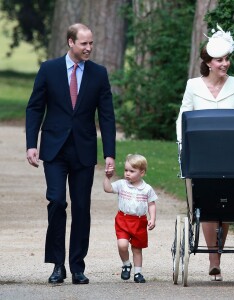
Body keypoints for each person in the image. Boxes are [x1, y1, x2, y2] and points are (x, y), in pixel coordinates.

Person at [26, 23, 116, 285]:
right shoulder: (49, 69)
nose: (88, 48)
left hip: (84, 151)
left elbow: (107, 116)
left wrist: (109, 152)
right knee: (56, 202)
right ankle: (57, 265)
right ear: (70, 42)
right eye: (83, 43)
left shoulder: (99, 74)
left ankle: (77, 266)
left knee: (81, 207)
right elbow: (34, 108)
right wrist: (32, 144)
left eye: (91, 44)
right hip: (54, 148)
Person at [176, 24, 234, 281]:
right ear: (208, 63)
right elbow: (183, 116)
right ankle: (213, 258)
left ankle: (216, 254)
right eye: (220, 60)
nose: (225, 64)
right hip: (202, 153)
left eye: (227, 59)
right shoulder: (193, 85)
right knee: (206, 202)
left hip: (231, 153)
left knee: (227, 202)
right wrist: (181, 144)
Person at [103, 154, 157, 283]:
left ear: (142, 172)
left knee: (137, 249)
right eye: (126, 170)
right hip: (123, 219)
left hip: (139, 221)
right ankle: (126, 264)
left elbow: (151, 204)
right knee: (122, 245)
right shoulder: (122, 184)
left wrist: (152, 219)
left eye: (132, 171)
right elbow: (108, 189)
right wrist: (107, 177)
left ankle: (138, 273)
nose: (127, 173)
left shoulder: (147, 189)